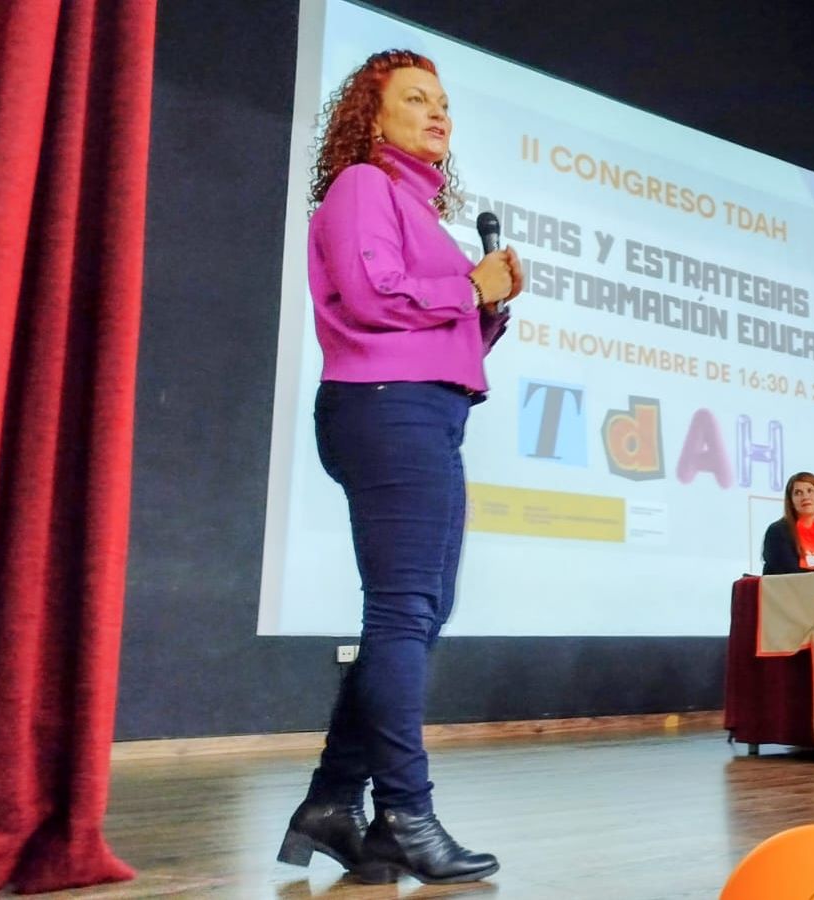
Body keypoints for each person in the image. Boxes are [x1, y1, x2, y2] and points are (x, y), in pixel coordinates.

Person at [276, 49, 519, 886]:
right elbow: (374, 295)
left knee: (418, 609)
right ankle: (407, 817)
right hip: (385, 407)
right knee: (406, 610)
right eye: (417, 99)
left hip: (422, 409)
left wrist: (487, 305)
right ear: (371, 118)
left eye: (445, 103)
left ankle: (337, 804)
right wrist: (467, 291)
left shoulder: (423, 214)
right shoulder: (361, 189)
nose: (438, 113)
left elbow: (439, 333)